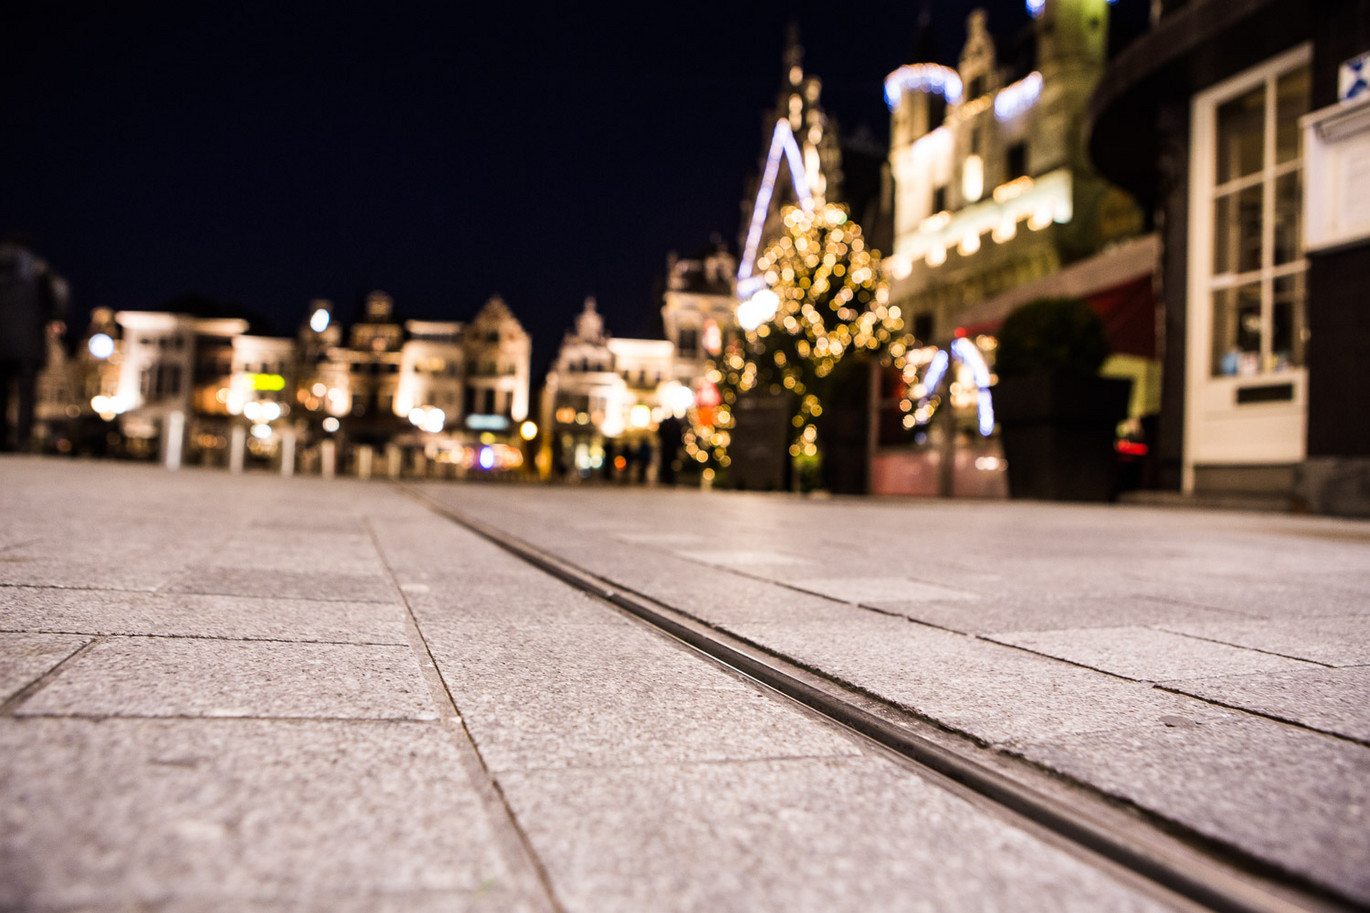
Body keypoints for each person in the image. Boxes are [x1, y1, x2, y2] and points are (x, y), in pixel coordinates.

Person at [0, 239, 68, 452]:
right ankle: (23, 439)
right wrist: (57, 316)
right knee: (26, 391)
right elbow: (60, 288)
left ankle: (2, 437)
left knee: (2, 390)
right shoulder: (36, 267)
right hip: (29, 339)